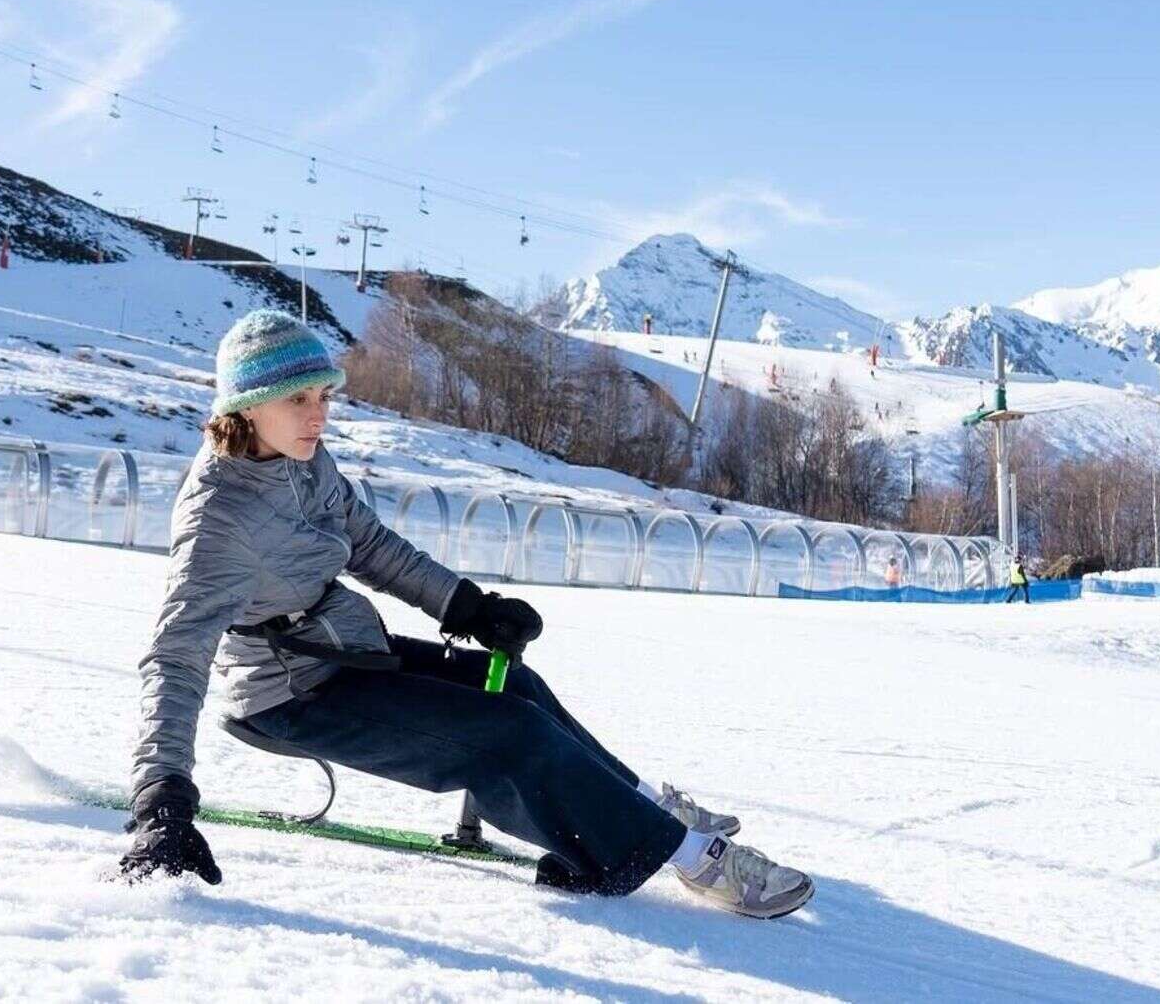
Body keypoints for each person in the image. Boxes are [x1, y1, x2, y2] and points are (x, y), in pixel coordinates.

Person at [119, 310, 814, 919]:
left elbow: (368, 542)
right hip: (290, 694)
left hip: (339, 647)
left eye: (323, 395)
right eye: (299, 398)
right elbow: (176, 656)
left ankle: (646, 806)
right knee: (509, 735)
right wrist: (161, 797)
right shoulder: (218, 518)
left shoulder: (303, 458)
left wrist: (468, 607)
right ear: (247, 405)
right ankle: (692, 856)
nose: (319, 414)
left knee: (514, 687)